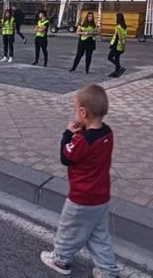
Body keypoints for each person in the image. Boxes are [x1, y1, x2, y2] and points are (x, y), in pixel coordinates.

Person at [40, 84, 119, 278]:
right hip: (101, 197)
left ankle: (60, 259)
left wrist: (68, 133)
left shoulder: (82, 141)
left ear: (83, 112)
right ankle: (108, 271)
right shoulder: (107, 133)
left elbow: (66, 157)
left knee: (68, 229)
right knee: (99, 236)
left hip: (81, 198)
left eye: (75, 110)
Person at [108, 13, 127, 78]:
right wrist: (123, 46)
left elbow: (120, 37)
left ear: (118, 19)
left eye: (115, 17)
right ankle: (116, 72)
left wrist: (121, 44)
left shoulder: (118, 27)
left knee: (110, 57)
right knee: (117, 58)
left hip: (116, 44)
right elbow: (124, 37)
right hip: (120, 45)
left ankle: (119, 67)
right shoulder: (124, 27)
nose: (114, 19)